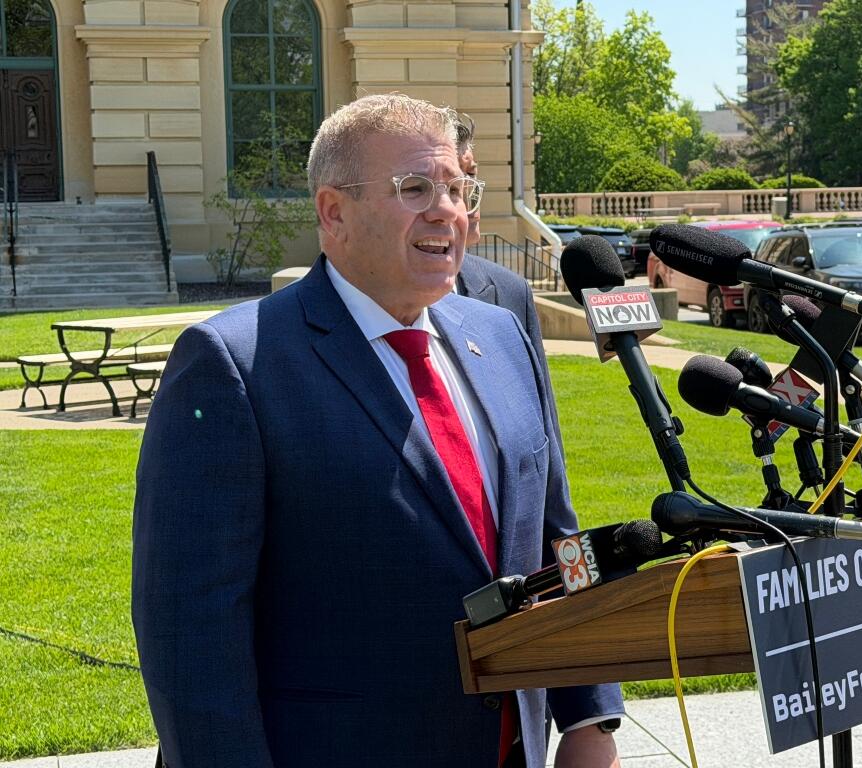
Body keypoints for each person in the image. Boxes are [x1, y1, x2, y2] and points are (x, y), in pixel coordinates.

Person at [132, 93, 622, 768]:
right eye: (414, 187)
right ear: (334, 212)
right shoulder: (234, 365)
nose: (447, 210)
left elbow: (556, 541)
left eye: (456, 188)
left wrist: (593, 716)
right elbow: (192, 634)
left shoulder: (502, 335)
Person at [453, 116, 560, 445]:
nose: (467, 196)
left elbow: (545, 437)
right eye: (450, 184)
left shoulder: (510, 292)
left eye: (470, 176)